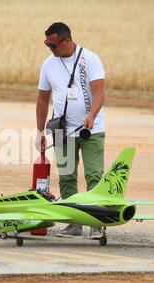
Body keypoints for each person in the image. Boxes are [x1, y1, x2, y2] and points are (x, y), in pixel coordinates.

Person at [36, 22, 105, 238]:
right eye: (47, 44)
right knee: (66, 176)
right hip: (62, 130)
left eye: (53, 45)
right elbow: (42, 99)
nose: (50, 49)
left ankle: (96, 223)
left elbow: (99, 92)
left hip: (91, 129)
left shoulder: (90, 58)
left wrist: (91, 115)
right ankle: (74, 223)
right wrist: (39, 132)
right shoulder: (48, 64)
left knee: (94, 175)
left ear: (67, 41)